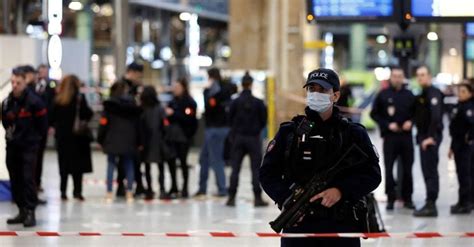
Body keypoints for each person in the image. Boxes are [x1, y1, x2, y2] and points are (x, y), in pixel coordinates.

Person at [260, 68, 381, 247]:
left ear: (336, 96)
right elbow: (267, 174)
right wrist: (287, 198)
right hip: (299, 224)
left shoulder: (353, 134)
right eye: (311, 89)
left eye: (322, 90)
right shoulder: (289, 132)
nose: (316, 94)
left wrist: (341, 190)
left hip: (341, 224)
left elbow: (372, 174)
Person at [1, 67, 48, 227]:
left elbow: (43, 125)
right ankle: (21, 210)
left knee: (28, 179)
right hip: (12, 146)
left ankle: (30, 212)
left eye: (18, 83)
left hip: (29, 146)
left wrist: (33, 138)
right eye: (13, 82)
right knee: (16, 179)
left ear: (24, 83)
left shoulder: (34, 102)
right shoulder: (7, 102)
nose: (14, 85)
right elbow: (5, 122)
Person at [370, 66, 416, 210]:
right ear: (391, 78)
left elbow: (418, 114)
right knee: (389, 169)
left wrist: (411, 122)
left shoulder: (409, 95)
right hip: (390, 138)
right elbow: (374, 114)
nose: (397, 78)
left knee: (408, 168)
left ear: (403, 78)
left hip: (406, 137)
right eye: (394, 76)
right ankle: (390, 198)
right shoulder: (383, 94)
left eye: (399, 76)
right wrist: (387, 125)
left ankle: (407, 198)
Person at [226, 72, 268, 207]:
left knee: (235, 168)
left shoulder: (235, 102)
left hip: (238, 138)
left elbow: (230, 119)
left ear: (241, 84)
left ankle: (231, 197)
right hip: (253, 139)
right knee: (255, 169)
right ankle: (257, 198)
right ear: (251, 84)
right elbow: (263, 120)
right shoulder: (259, 102)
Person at [50, 75, 93, 201]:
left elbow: (51, 118)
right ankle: (77, 192)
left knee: (63, 165)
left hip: (62, 138)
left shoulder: (58, 100)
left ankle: (63, 191)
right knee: (77, 167)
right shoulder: (79, 98)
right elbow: (88, 114)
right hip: (77, 137)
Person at [98, 81, 141, 203]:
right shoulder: (133, 105)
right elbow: (138, 125)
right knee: (129, 164)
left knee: (111, 164)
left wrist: (101, 139)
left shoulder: (110, 105)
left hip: (112, 138)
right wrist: (139, 141)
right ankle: (129, 192)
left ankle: (109, 192)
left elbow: (104, 124)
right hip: (129, 139)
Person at [194, 68, 232, 198]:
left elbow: (210, 106)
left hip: (215, 129)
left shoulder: (215, 89)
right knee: (204, 158)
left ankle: (222, 189)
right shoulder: (226, 88)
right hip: (217, 128)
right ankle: (202, 188)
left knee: (216, 159)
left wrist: (208, 92)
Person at [413, 65, 444, 217]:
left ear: (429, 76)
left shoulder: (434, 93)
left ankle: (431, 204)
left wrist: (430, 137)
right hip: (423, 137)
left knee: (430, 170)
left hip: (430, 139)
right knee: (426, 170)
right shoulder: (422, 94)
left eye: (423, 74)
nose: (420, 77)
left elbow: (436, 117)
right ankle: (429, 201)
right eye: (418, 75)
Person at [138, 86, 176, 200]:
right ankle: (162, 189)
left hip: (146, 142)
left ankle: (149, 190)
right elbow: (165, 125)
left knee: (147, 167)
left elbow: (139, 127)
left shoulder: (142, 109)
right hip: (159, 141)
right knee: (161, 167)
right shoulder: (159, 108)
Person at [165, 78, 198, 198]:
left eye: (177, 87)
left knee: (183, 162)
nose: (175, 90)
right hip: (171, 137)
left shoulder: (189, 102)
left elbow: (190, 120)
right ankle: (174, 186)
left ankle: (184, 188)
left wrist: (174, 114)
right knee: (171, 162)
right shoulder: (172, 102)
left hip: (183, 137)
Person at [119, 62, 146, 197]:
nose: (139, 78)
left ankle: (138, 185)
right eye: (138, 75)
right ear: (132, 72)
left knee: (134, 159)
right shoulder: (122, 86)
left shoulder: (135, 87)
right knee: (125, 159)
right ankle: (122, 186)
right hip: (124, 128)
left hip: (135, 128)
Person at [448, 83, 474, 214]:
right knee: (461, 174)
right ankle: (462, 201)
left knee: (465, 175)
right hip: (457, 144)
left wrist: (469, 138)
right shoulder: (458, 106)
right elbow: (454, 129)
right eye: (459, 91)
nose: (460, 94)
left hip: (465, 147)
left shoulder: (469, 107)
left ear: (470, 93)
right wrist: (452, 147)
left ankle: (466, 203)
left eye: (464, 91)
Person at [34, 64, 57, 192]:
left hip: (44, 124)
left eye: (44, 71)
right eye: (40, 71)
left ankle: (37, 182)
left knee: (40, 155)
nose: (42, 73)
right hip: (33, 126)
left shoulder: (50, 87)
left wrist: (51, 124)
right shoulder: (33, 87)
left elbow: (52, 106)